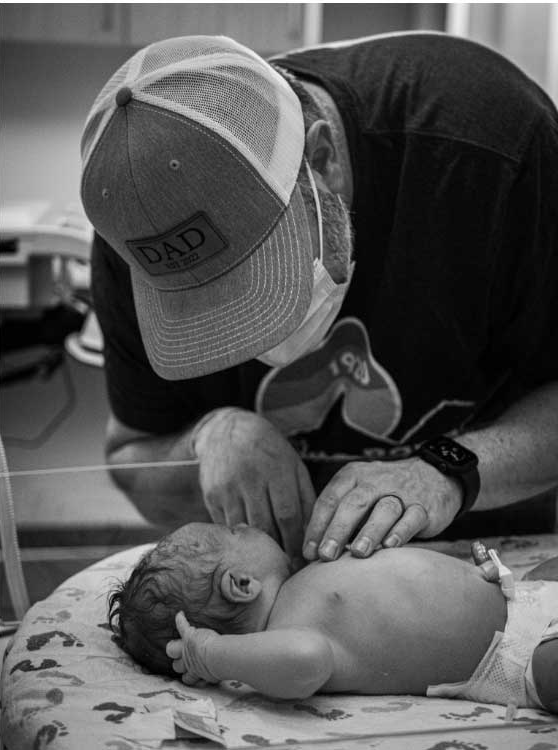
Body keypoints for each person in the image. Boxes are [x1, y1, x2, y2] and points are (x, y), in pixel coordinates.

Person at [82, 32, 558, 563]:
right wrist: (205, 440)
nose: (257, 338)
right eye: (205, 303)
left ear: (324, 159)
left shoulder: (492, 150)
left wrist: (449, 469)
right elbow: (130, 457)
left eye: (263, 277)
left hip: (494, 550)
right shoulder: (137, 228)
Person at [107, 522, 558, 711]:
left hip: (520, 595)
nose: (242, 524)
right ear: (241, 585)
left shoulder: (302, 586)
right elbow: (308, 661)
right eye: (232, 532)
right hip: (517, 658)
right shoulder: (289, 632)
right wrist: (212, 654)